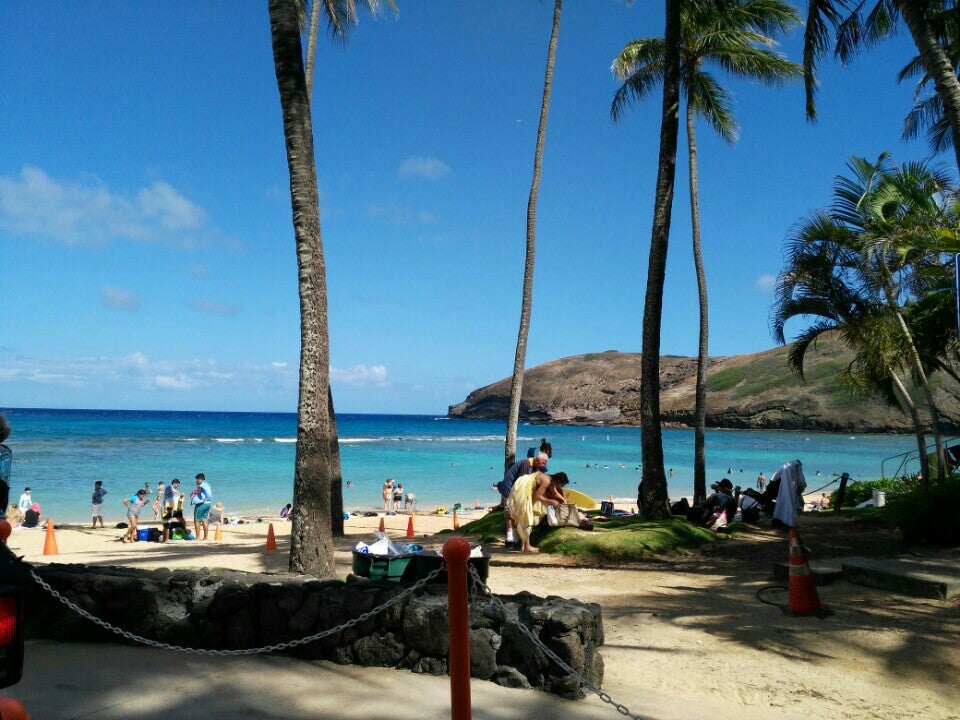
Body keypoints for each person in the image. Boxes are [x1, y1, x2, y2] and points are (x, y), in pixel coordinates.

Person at [506, 470, 569, 554]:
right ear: (558, 481)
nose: (561, 487)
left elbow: (555, 493)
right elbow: (538, 496)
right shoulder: (547, 481)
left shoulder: (551, 480)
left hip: (526, 491)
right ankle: (526, 547)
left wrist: (564, 500)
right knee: (526, 519)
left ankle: (524, 547)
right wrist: (551, 501)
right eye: (562, 485)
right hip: (522, 492)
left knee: (526, 519)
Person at [497, 452, 548, 546]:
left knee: (516, 513)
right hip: (510, 489)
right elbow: (523, 481)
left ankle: (515, 538)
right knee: (511, 513)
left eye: (544, 464)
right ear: (536, 459)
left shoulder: (532, 464)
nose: (542, 466)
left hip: (514, 489)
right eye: (541, 463)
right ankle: (510, 539)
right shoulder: (526, 464)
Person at [190, 473, 213, 540]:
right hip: (208, 503)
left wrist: (193, 493)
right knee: (204, 520)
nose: (196, 481)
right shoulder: (208, 485)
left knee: (197, 520)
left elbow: (197, 493)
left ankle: (197, 538)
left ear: (200, 479)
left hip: (201, 504)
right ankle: (205, 537)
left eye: (197, 480)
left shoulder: (201, 486)